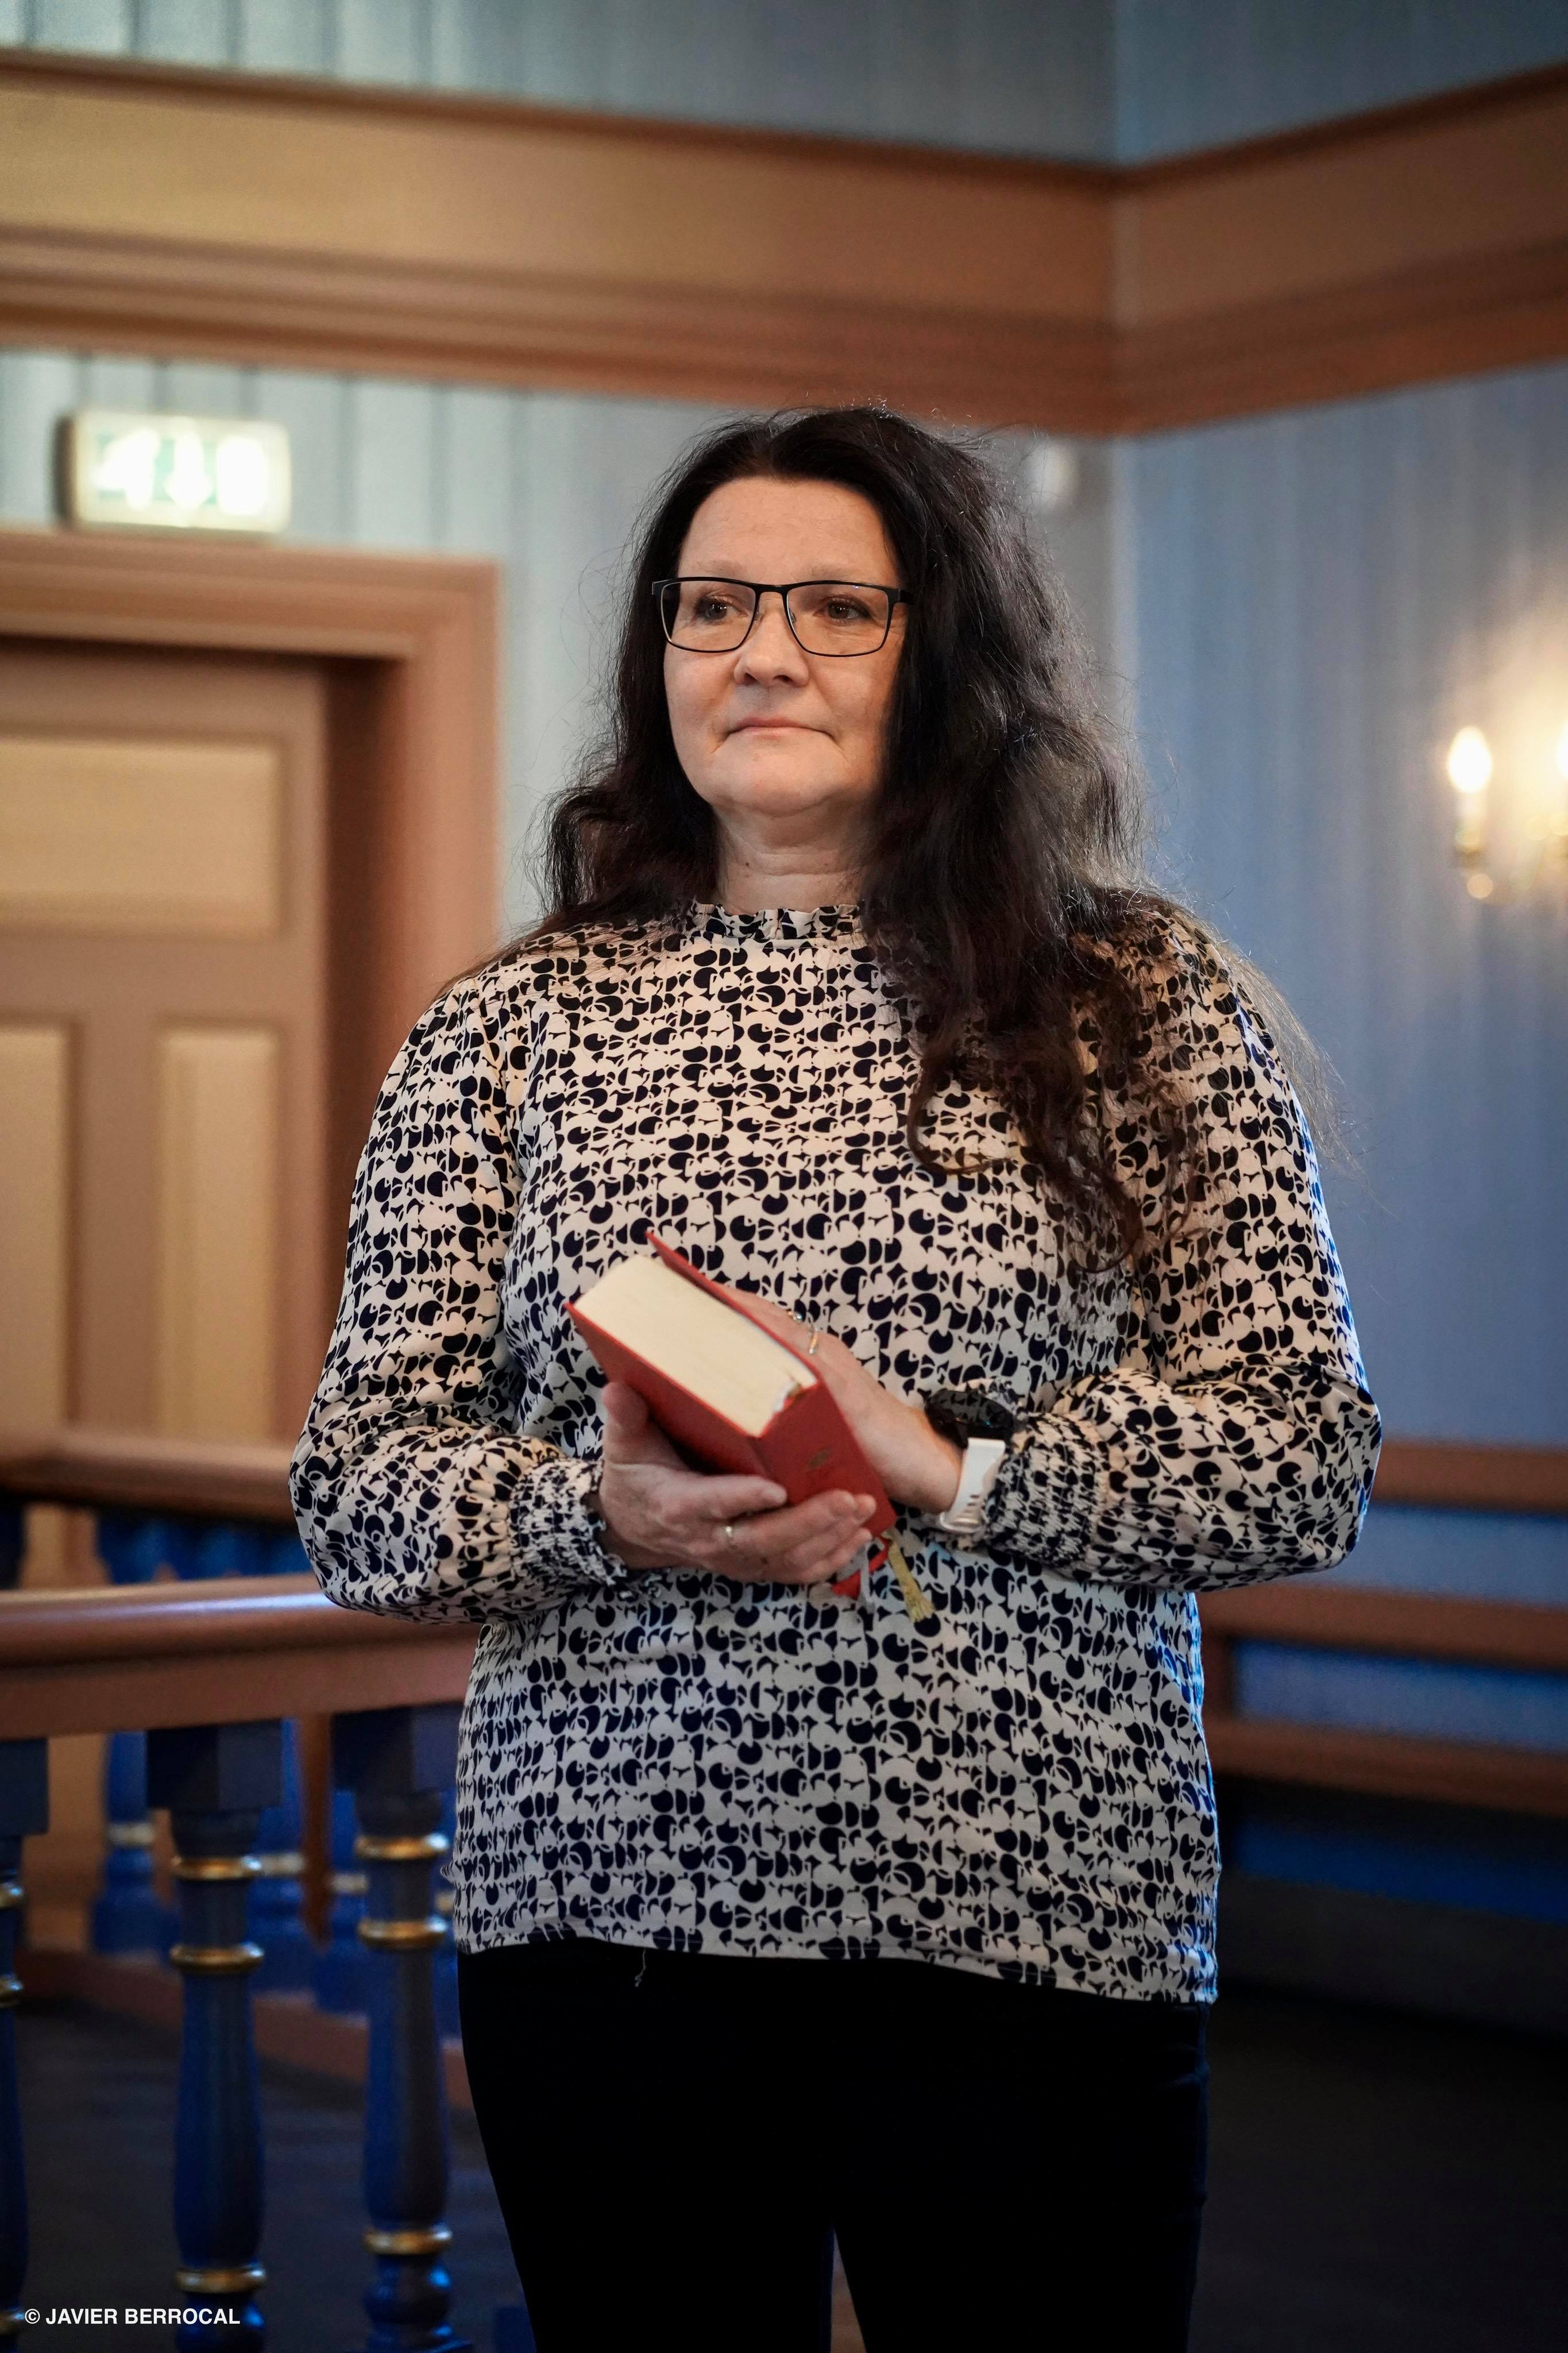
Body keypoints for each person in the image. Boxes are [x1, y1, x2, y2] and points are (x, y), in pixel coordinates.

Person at [292, 406, 1380, 2352]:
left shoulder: (1132, 1003)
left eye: (833, 609)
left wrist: (945, 1463)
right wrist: (598, 1512)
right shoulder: (507, 1028)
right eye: (710, 606)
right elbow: (358, 1491)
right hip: (609, 1923)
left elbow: (1300, 1456)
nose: (761, 653)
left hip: (1033, 1908)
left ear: (943, 654)